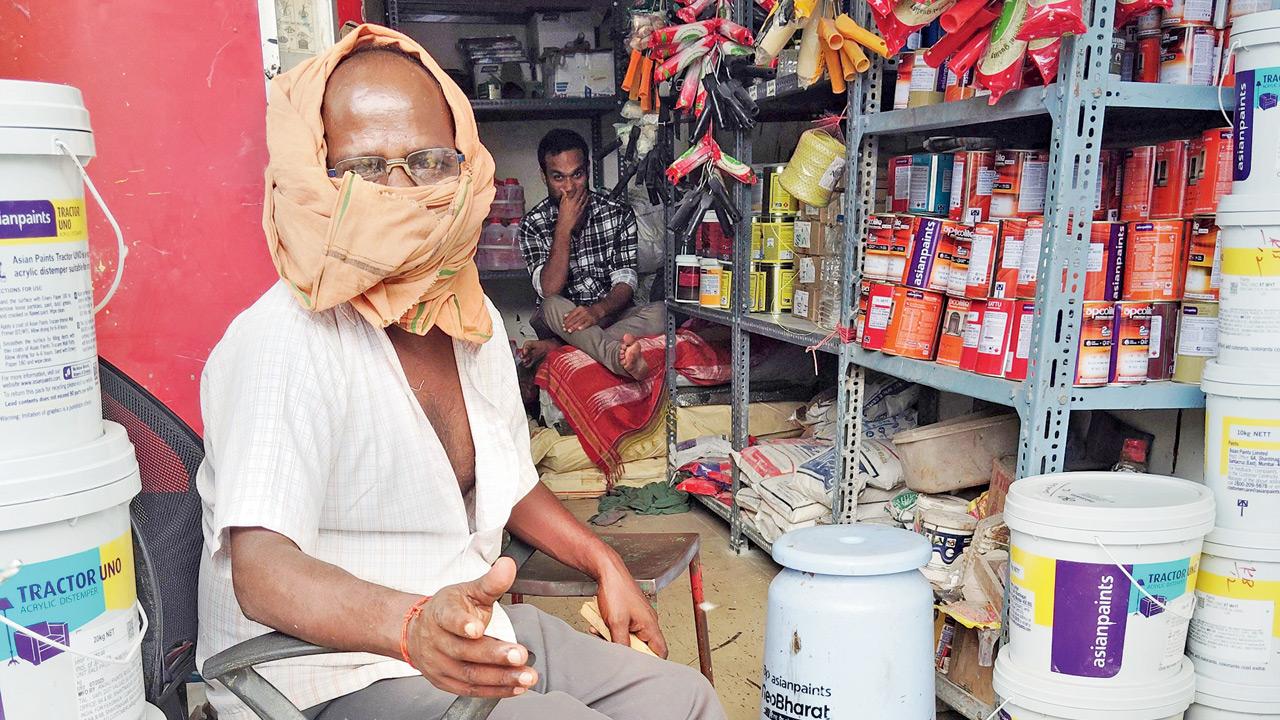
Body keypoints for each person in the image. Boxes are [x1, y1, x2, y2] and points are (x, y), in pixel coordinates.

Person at [195, 24, 724, 720]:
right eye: (363, 168)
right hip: (324, 670)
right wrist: (411, 625)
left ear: (465, 169)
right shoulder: (283, 338)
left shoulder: (467, 322)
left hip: (468, 629)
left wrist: (605, 562)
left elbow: (507, 481)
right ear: (315, 177)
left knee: (683, 699)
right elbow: (262, 574)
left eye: (428, 162)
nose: (399, 192)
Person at [517, 129, 666, 379]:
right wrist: (563, 229)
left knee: (662, 313)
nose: (569, 188)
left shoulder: (617, 213)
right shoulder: (532, 224)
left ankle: (558, 348)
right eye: (558, 177)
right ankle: (616, 359)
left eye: (577, 175)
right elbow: (550, 289)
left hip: (607, 317)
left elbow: (626, 282)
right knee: (552, 304)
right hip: (559, 322)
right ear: (544, 177)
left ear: (587, 170)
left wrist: (597, 311)